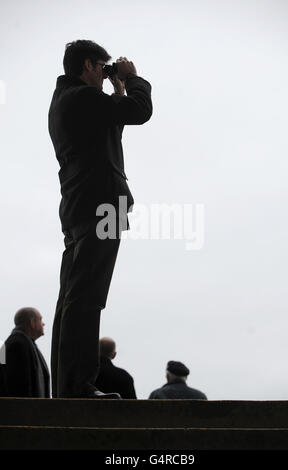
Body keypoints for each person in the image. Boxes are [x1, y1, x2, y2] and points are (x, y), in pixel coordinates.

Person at [48, 40, 152, 398]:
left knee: (73, 297)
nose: (105, 74)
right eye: (103, 68)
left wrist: (116, 90)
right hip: (101, 205)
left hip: (78, 206)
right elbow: (139, 111)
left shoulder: (65, 102)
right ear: (90, 65)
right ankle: (78, 387)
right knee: (88, 297)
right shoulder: (83, 98)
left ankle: (67, 386)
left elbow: (110, 129)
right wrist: (133, 80)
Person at [0, 308, 50, 398]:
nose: (43, 323)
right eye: (40, 319)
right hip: (24, 410)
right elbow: (19, 387)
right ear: (32, 323)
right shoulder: (17, 344)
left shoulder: (24, 343)